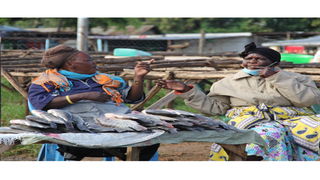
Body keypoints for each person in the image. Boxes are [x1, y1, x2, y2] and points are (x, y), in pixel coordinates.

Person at [157, 42, 320, 161]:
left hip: (293, 118)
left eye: (259, 58)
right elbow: (215, 109)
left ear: (274, 63)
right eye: (249, 58)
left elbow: (306, 100)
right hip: (251, 119)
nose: (253, 61)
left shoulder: (296, 78)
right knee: (268, 134)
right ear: (243, 62)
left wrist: (276, 77)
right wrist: (187, 91)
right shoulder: (227, 83)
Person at [28, 44, 158, 161]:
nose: (94, 62)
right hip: (80, 129)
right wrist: (83, 96)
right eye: (88, 60)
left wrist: (139, 77)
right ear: (70, 64)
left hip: (120, 124)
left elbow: (132, 98)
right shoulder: (46, 82)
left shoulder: (103, 80)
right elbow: (41, 103)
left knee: (152, 137)